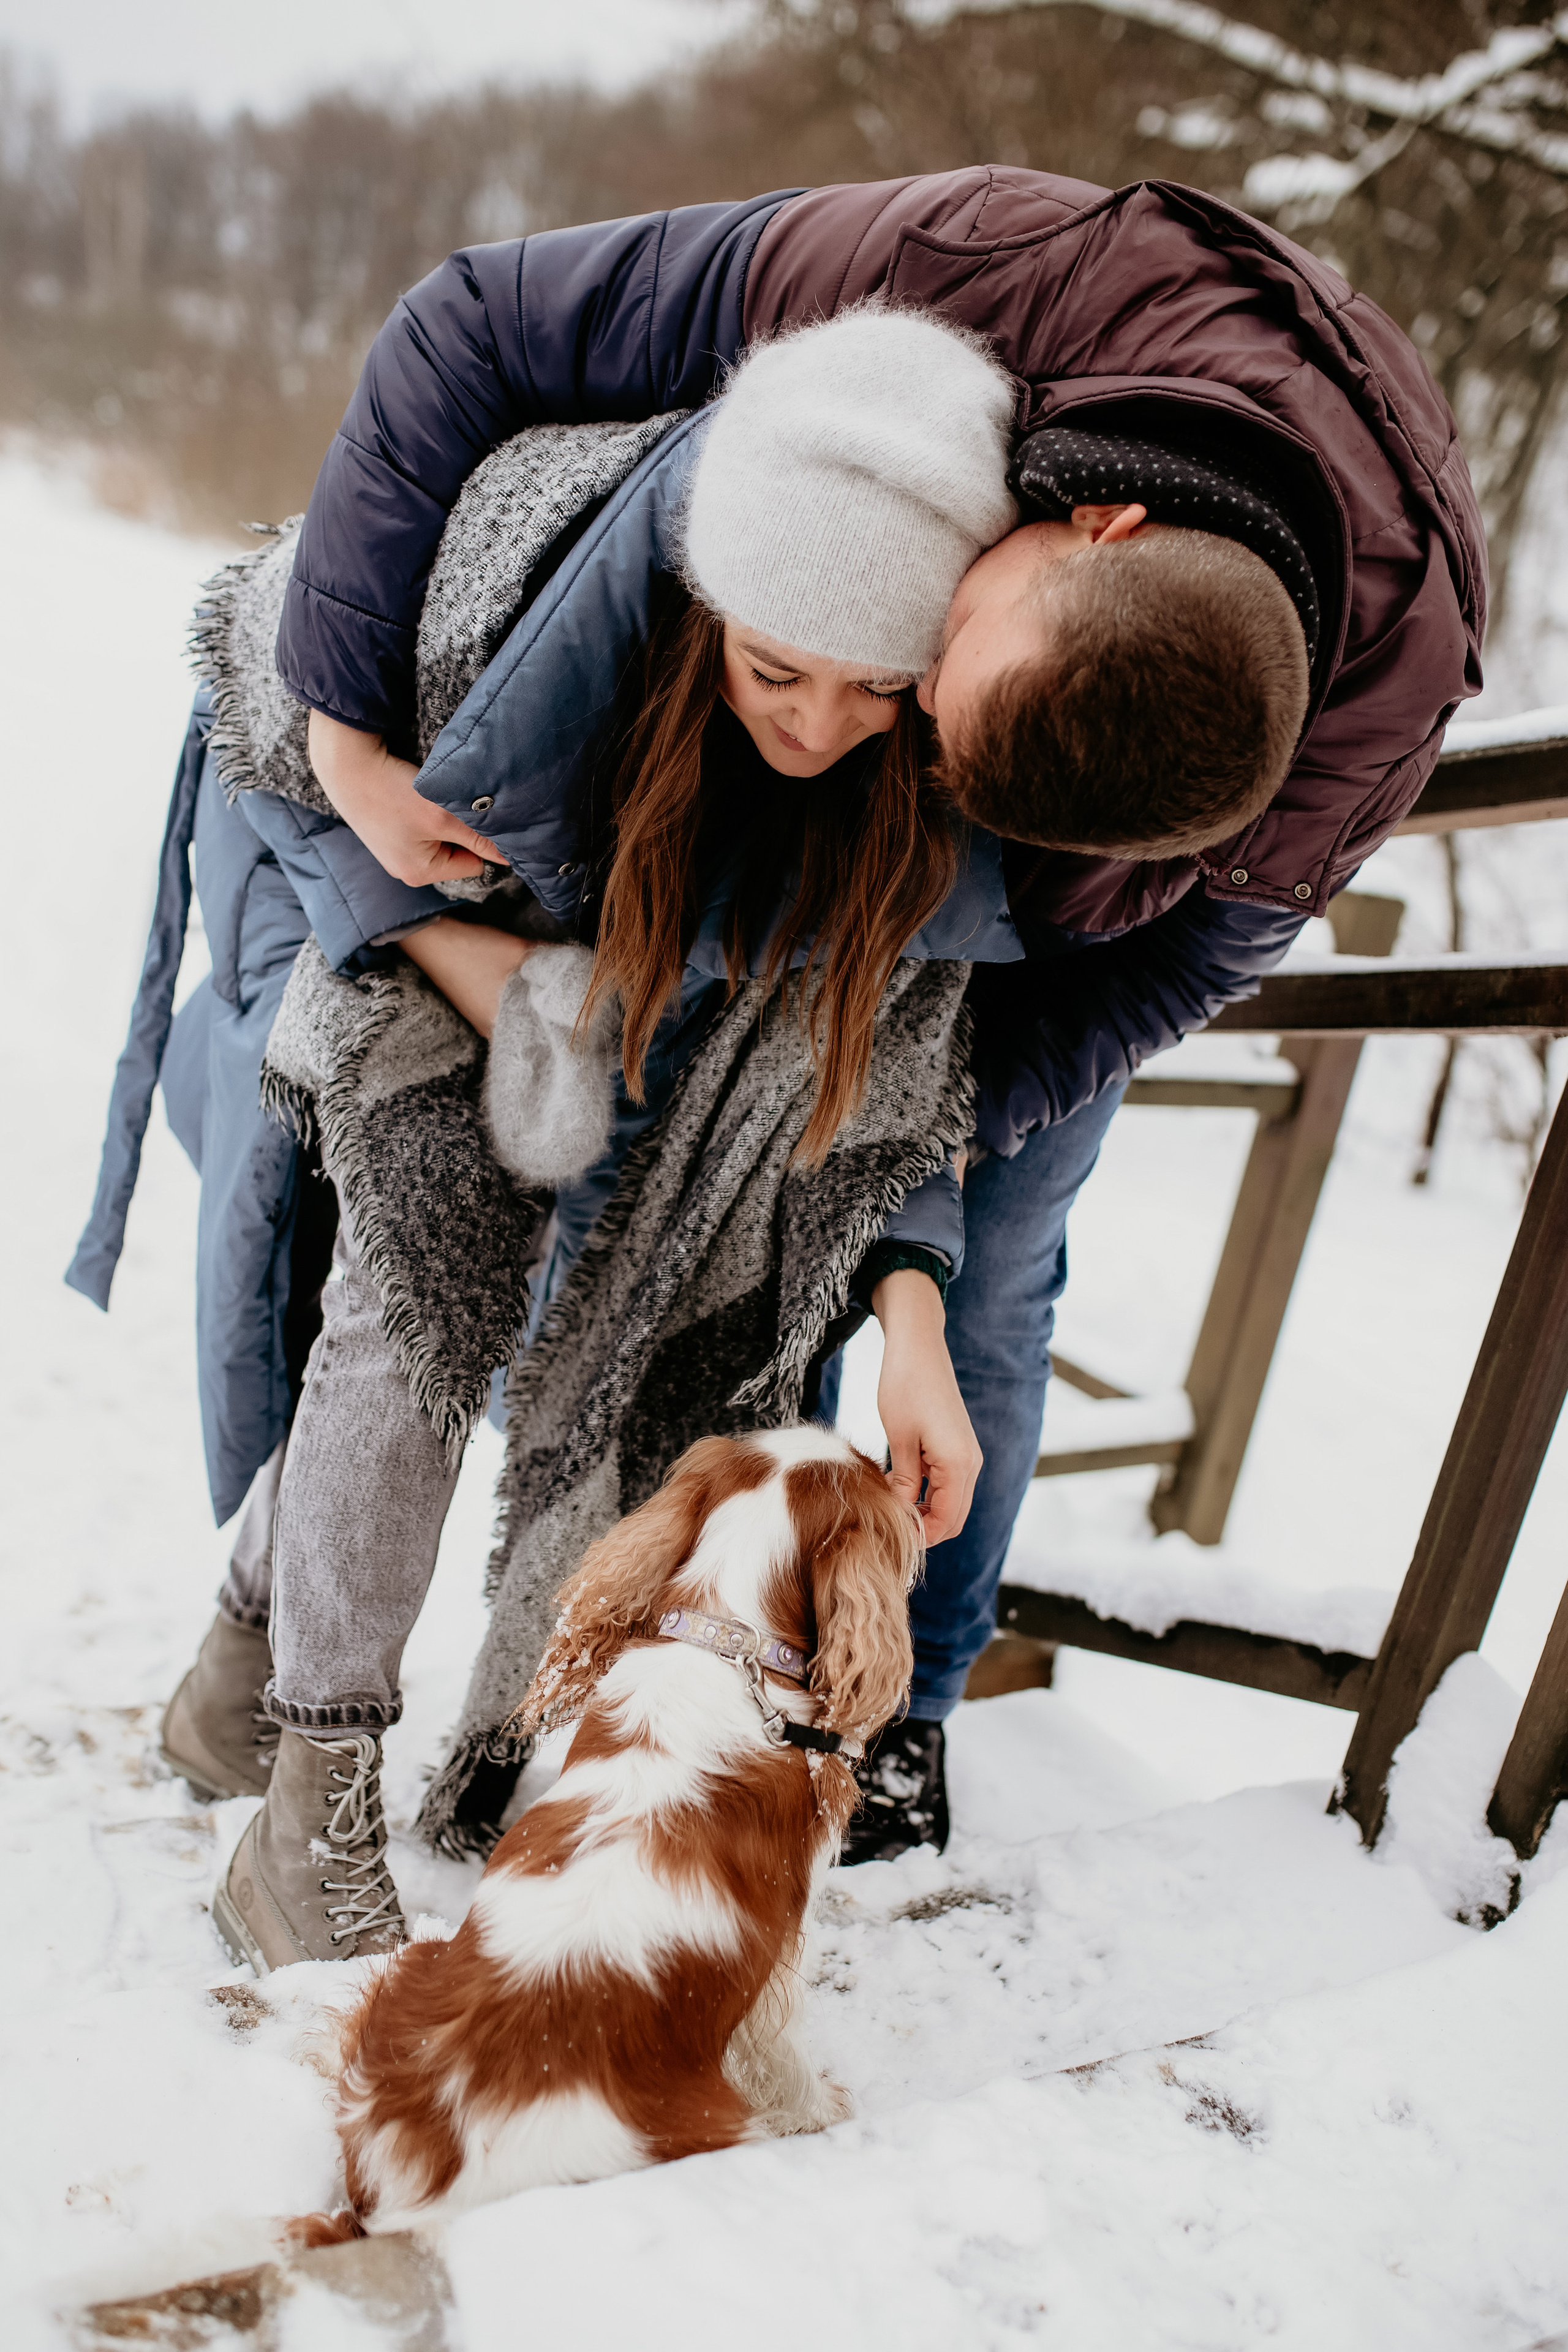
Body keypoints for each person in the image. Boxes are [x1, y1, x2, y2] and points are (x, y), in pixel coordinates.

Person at [74, 167, 1484, 1893]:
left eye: (891, 693)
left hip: (915, 936)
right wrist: (362, 757)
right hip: (544, 846)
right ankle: (338, 1718)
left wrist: (905, 1189)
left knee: (952, 1281)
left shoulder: (1332, 750)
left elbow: (1149, 980)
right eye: (924, 676)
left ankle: (872, 1734)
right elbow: (471, 328)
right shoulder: (964, 284)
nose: (844, 725)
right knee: (460, 1242)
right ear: (1083, 523)